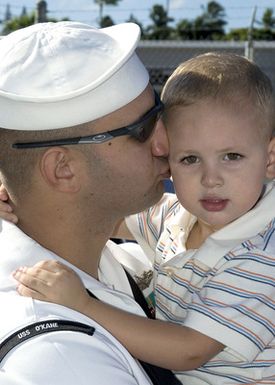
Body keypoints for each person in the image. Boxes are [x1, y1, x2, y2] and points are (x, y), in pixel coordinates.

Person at [8, 52, 275, 385]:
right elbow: (110, 220)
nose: (211, 179)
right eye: (190, 158)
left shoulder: (259, 255)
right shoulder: (176, 215)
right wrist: (17, 201)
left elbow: (190, 351)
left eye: (231, 156)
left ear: (270, 159)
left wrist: (84, 305)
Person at [0, 21, 183, 385]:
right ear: (63, 168)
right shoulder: (58, 360)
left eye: (161, 114)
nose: (168, 143)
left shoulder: (107, 253)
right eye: (143, 128)